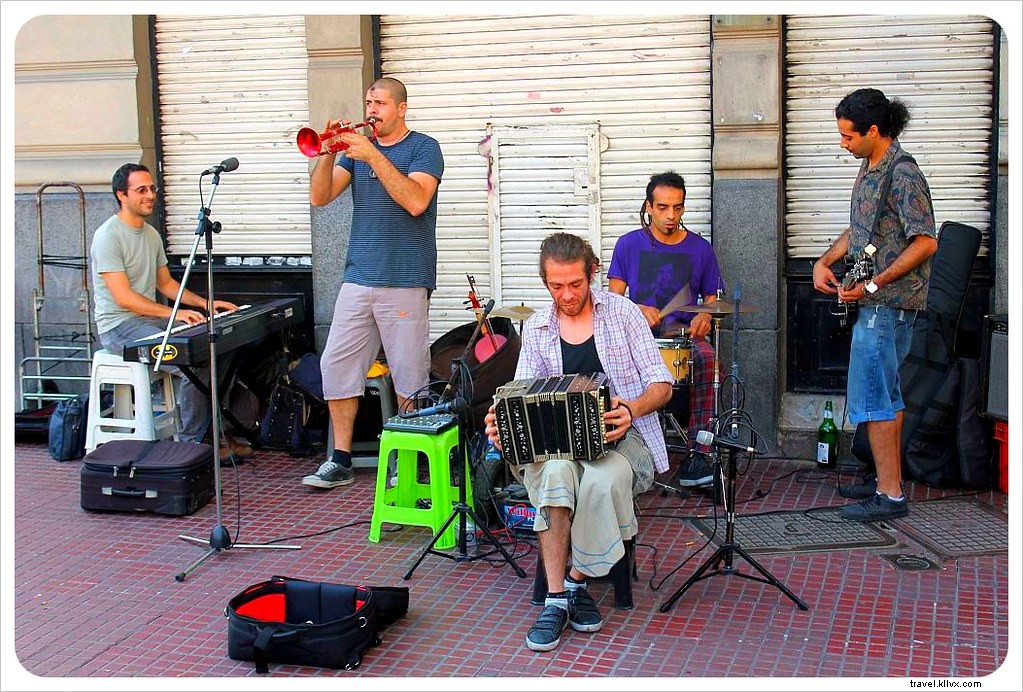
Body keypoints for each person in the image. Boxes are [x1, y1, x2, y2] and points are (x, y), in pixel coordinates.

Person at [484, 233, 673, 652]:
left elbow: (664, 385)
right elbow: (521, 393)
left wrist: (634, 408)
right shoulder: (535, 327)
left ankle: (576, 582)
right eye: (556, 286)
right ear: (545, 282)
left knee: (600, 483)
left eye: (575, 284)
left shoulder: (623, 314)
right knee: (554, 477)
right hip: (555, 446)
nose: (566, 295)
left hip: (621, 439)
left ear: (592, 274)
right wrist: (501, 424)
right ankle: (557, 598)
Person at [305, 77, 444, 489]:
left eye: (380, 102)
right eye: (368, 101)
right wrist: (329, 153)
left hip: (404, 277)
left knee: (408, 375)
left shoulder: (424, 148)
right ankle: (341, 459)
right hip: (358, 276)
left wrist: (373, 156)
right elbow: (320, 197)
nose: (372, 110)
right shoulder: (356, 153)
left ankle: (406, 459)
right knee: (337, 365)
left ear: (401, 108)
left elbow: (416, 201)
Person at [813, 88, 937, 522]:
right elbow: (860, 228)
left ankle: (890, 495)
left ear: (873, 131)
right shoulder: (870, 167)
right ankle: (885, 478)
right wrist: (824, 261)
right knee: (887, 394)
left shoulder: (903, 174)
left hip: (888, 306)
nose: (842, 144)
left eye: (848, 136)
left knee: (875, 395)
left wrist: (873, 286)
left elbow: (925, 241)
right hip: (875, 303)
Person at [90, 163, 249, 458]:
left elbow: (166, 284)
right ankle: (192, 446)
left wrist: (205, 304)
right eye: (141, 190)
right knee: (192, 362)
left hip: (148, 320)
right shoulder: (107, 236)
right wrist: (174, 315)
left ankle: (215, 435)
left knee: (218, 347)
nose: (150, 195)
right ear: (121, 195)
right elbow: (124, 298)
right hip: (118, 327)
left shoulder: (150, 234)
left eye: (151, 188)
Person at [607, 171, 724, 488]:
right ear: (648, 207)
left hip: (683, 338)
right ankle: (623, 448)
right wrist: (636, 309)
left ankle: (699, 454)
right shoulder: (628, 245)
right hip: (636, 339)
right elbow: (611, 300)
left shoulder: (701, 249)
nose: (671, 215)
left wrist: (707, 316)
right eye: (662, 207)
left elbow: (713, 300)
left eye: (677, 207)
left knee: (710, 362)